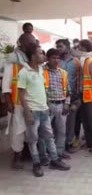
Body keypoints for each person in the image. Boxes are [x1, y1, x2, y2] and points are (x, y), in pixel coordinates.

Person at [18, 43, 70, 177]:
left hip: (44, 110)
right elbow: (21, 95)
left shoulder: (41, 69)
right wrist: (28, 112)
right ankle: (36, 163)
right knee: (33, 139)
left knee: (49, 136)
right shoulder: (24, 72)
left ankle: (54, 160)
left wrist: (46, 105)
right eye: (41, 53)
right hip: (33, 111)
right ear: (33, 56)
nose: (43, 55)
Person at [2, 33, 37, 169]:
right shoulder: (12, 60)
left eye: (33, 42)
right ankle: (17, 157)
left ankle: (28, 153)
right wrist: (8, 101)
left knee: (31, 130)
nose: (32, 45)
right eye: (30, 43)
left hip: (33, 102)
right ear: (21, 44)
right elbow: (6, 83)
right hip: (17, 103)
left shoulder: (33, 59)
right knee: (18, 130)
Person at [43, 48, 71, 159]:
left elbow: (68, 90)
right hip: (48, 106)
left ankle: (59, 151)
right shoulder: (42, 72)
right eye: (53, 58)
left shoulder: (63, 73)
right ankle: (47, 153)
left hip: (61, 105)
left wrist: (67, 104)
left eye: (57, 58)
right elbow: (40, 90)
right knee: (46, 132)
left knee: (62, 131)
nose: (56, 60)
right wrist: (46, 104)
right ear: (47, 59)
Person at [56, 39, 81, 153]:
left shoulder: (76, 62)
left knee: (71, 122)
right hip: (58, 96)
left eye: (60, 46)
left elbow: (79, 78)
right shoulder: (56, 61)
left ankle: (69, 144)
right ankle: (59, 146)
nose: (58, 49)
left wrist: (78, 96)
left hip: (73, 96)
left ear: (66, 47)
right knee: (59, 123)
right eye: (57, 47)